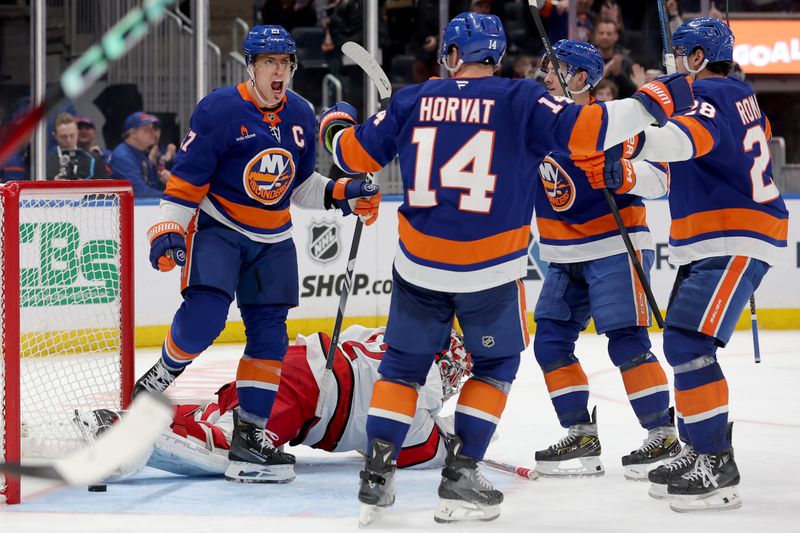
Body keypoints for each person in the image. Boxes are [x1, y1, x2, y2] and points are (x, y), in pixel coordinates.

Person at [318, 11, 693, 525]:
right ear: (496, 57)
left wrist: (335, 124)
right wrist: (657, 97)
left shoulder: (414, 98)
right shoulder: (522, 99)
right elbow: (592, 129)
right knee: (495, 366)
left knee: (401, 369)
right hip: (492, 268)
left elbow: (352, 155)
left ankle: (377, 474)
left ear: (452, 55)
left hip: (420, 263)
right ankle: (462, 473)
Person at [131, 25, 381, 485]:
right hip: (219, 229)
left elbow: (301, 186)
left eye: (285, 63)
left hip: (273, 240)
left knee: (270, 339)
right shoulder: (220, 110)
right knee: (205, 317)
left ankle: (252, 434)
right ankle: (152, 385)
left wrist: (345, 191)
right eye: (269, 62)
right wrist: (166, 227)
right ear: (251, 67)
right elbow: (186, 182)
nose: (278, 71)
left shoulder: (302, 115)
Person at [597, 17, 788, 512]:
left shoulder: (711, 95)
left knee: (688, 342)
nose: (672, 65)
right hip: (718, 237)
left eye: (678, 55)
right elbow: (668, 176)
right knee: (685, 343)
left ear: (698, 57)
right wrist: (624, 171)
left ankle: (715, 462)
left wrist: (627, 136)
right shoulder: (734, 96)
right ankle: (698, 446)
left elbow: (683, 143)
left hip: (734, 234)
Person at [530, 39, 677, 481]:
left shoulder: (614, 124)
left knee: (626, 341)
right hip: (562, 253)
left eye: (555, 70)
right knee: (550, 341)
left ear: (581, 79)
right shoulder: (535, 125)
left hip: (617, 246)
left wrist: (627, 173)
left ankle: (662, 433)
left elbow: (662, 182)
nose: (546, 77)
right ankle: (580, 431)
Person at [77, 326, 473, 479]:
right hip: (304, 397)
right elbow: (429, 452)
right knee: (232, 448)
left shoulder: (385, 335)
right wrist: (457, 437)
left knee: (225, 415)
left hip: (286, 366)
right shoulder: (420, 401)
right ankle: (121, 430)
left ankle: (136, 416)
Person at [109, 112, 167, 196]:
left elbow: (152, 185)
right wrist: (173, 198)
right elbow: (139, 191)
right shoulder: (122, 156)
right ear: (133, 133)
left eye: (153, 129)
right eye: (147, 129)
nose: (153, 132)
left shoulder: (140, 153)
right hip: (120, 207)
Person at [45, 113, 107, 180]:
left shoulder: (94, 160)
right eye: (63, 137)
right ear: (55, 136)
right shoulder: (45, 163)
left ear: (77, 133)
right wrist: (53, 183)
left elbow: (104, 188)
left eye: (72, 135)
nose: (68, 141)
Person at [591, 19, 637, 98]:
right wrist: (602, 75)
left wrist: (619, 74)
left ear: (616, 36)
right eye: (601, 33)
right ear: (595, 35)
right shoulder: (587, 59)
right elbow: (580, 89)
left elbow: (633, 91)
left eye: (609, 34)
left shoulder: (624, 61)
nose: (605, 37)